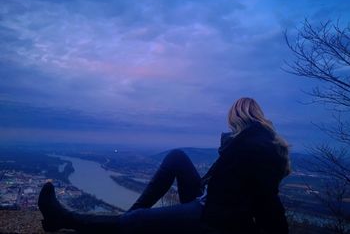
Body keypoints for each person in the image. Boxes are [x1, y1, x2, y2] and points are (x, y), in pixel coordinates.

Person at [38, 97, 291, 234]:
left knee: (138, 220)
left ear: (237, 117)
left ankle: (64, 219)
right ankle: (131, 218)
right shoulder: (251, 142)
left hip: (215, 217)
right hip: (212, 202)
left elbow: (268, 200)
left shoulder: (256, 148)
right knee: (177, 156)